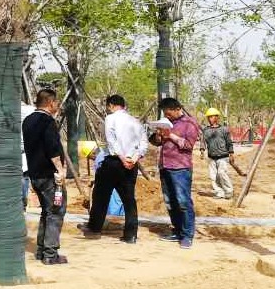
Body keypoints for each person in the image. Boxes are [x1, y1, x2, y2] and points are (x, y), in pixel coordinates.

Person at [80, 94, 147, 243]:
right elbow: (144, 144)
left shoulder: (111, 118)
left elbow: (112, 142)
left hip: (114, 162)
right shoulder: (135, 121)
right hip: (131, 163)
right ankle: (131, 235)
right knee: (129, 200)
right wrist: (134, 158)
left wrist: (122, 158)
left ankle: (95, 228)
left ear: (111, 105)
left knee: (101, 196)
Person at [23, 89, 67, 265]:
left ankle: (42, 250)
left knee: (47, 212)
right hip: (50, 175)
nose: (58, 106)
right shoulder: (47, 121)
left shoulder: (28, 120)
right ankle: (50, 253)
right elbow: (52, 148)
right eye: (57, 102)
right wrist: (60, 170)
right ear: (50, 103)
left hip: (35, 174)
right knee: (56, 211)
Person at [150, 97, 199, 248]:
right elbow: (156, 142)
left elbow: (188, 145)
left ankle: (187, 235)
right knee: (170, 202)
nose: (167, 116)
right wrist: (158, 135)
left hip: (180, 168)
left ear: (178, 109)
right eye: (165, 114)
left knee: (183, 202)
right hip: (165, 166)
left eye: (169, 113)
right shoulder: (166, 122)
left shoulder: (190, 123)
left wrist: (170, 135)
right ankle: (177, 230)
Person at [201, 107, 234, 199]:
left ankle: (229, 191)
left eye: (211, 117)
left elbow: (229, 142)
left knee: (222, 173)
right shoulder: (206, 130)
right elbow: (203, 141)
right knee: (213, 176)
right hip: (211, 157)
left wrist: (231, 154)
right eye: (208, 117)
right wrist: (202, 151)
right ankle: (219, 192)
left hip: (223, 156)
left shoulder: (224, 129)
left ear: (217, 117)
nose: (210, 119)